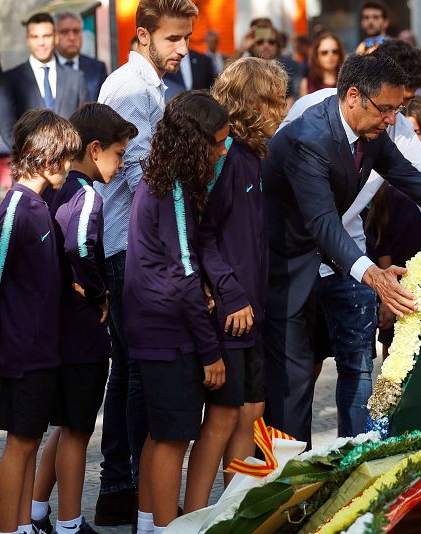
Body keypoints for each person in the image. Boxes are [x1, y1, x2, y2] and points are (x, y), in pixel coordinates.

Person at [263, 52, 421, 445]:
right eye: (387, 110)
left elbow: (410, 177)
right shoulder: (309, 137)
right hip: (284, 268)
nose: (393, 120)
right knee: (293, 383)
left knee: (351, 367)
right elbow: (322, 221)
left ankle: (340, 469)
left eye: (397, 110)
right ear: (354, 96)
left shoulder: (372, 130)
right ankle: (285, 486)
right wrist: (373, 273)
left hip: (334, 258)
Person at [93, 0, 197, 526]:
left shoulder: (149, 84)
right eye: (174, 39)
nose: (183, 49)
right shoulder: (131, 88)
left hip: (134, 244)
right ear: (143, 35)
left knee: (131, 371)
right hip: (128, 246)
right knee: (138, 374)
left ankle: (124, 490)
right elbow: (137, 175)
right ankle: (136, 493)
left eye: (186, 39)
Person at [182, 58, 288, 512]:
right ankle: (195, 513)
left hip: (254, 312)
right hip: (232, 312)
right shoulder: (227, 160)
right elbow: (204, 235)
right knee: (222, 417)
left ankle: (232, 511)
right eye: (275, 99)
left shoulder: (257, 154)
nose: (283, 107)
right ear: (253, 102)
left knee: (252, 411)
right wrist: (231, 294)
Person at [30, 103, 137, 534]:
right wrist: (99, 292)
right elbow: (78, 247)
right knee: (77, 428)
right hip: (81, 325)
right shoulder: (88, 193)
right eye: (118, 153)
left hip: (55, 321)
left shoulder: (53, 185)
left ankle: (37, 512)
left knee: (66, 422)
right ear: (95, 150)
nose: (123, 163)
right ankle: (71, 525)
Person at [124, 90, 228, 532]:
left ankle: (150, 522)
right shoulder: (176, 189)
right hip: (170, 333)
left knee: (160, 434)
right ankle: (168, 527)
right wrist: (210, 352)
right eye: (218, 142)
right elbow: (185, 273)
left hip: (152, 327)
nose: (223, 151)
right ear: (194, 142)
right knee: (173, 439)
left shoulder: (160, 180)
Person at [0, 109, 80, 534]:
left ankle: (21, 526)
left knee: (30, 441)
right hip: (23, 352)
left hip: (40, 349)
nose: (69, 168)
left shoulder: (36, 204)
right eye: (65, 159)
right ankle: (6, 530)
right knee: (19, 446)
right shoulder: (19, 205)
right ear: (48, 158)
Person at [365, 95, 421, 358]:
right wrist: (387, 296)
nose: (411, 140)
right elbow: (382, 238)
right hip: (400, 282)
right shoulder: (384, 177)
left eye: (417, 132)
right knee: (396, 363)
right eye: (407, 133)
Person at [0, 12, 88, 155]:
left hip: (68, 165)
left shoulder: (76, 78)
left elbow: (84, 123)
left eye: (46, 36)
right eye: (35, 37)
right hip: (27, 168)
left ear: (56, 37)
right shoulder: (10, 79)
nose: (41, 43)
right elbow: (7, 128)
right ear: (27, 40)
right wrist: (31, 157)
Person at [54, 11, 108, 102]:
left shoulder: (97, 68)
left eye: (76, 31)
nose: (71, 37)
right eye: (64, 32)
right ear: (55, 35)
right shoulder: (46, 67)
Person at [299, 32, 345, 96]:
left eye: (335, 52)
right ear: (316, 56)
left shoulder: (348, 82)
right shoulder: (307, 84)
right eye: (324, 52)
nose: (330, 55)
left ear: (340, 54)